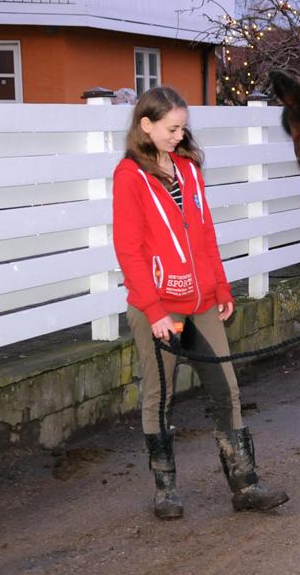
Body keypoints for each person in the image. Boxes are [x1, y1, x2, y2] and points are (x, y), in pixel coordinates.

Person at [112, 86, 288, 520]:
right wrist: (153, 311)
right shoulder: (129, 176)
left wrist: (221, 288)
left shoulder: (189, 170)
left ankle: (245, 484)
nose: (178, 135)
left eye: (183, 128)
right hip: (158, 307)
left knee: (226, 388)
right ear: (146, 125)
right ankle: (165, 490)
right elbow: (129, 249)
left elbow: (205, 234)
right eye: (171, 128)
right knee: (160, 394)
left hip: (202, 301)